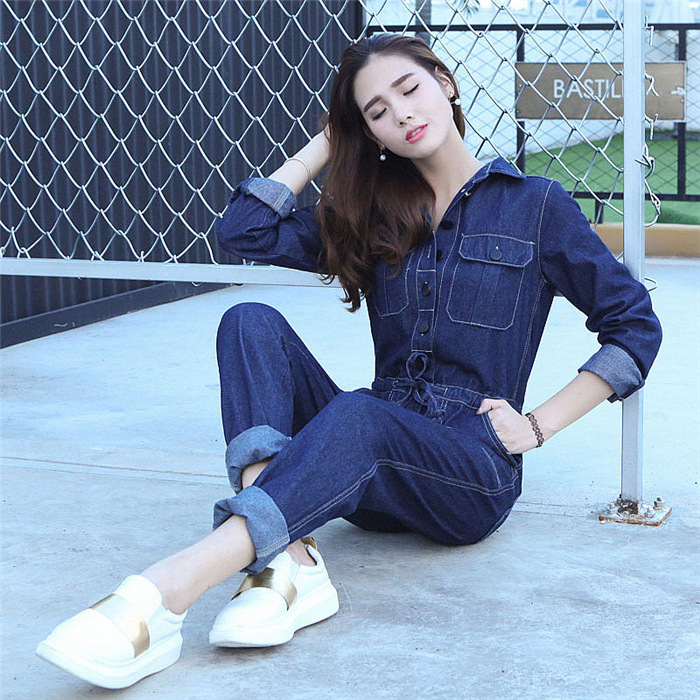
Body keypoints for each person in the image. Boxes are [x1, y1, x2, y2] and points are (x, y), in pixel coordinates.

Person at [36, 33, 662, 689]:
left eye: (409, 89)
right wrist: (327, 144)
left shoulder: (536, 206)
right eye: (376, 112)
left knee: (360, 414)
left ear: (445, 83)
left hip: (467, 473)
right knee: (249, 322)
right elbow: (245, 231)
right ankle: (289, 561)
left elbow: (633, 325)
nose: (401, 113)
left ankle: (167, 589)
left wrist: (535, 427)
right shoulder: (373, 212)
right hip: (369, 465)